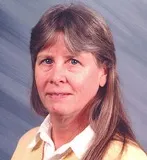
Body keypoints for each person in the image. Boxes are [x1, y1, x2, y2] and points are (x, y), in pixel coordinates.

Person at [11, 3, 147, 160]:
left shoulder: (127, 157)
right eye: (47, 60)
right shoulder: (26, 144)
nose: (56, 77)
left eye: (73, 62)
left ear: (103, 72)